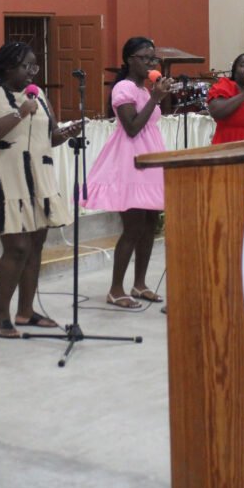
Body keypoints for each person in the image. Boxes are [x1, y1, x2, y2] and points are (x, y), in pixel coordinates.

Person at [0, 42, 82, 338]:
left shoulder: (38, 95)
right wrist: (19, 113)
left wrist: (65, 133)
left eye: (35, 66)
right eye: (26, 66)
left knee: (35, 247)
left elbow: (50, 135)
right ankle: (1, 316)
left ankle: (26, 311)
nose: (32, 72)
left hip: (39, 178)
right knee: (16, 248)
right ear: (8, 66)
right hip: (7, 180)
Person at [82, 37, 171, 308]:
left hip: (151, 157)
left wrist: (158, 96)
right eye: (145, 57)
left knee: (149, 226)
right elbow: (132, 126)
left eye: (153, 58)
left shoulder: (145, 89)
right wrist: (155, 98)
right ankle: (116, 288)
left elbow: (152, 118)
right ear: (130, 59)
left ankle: (140, 283)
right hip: (130, 160)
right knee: (132, 228)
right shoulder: (122, 88)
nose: (150, 63)